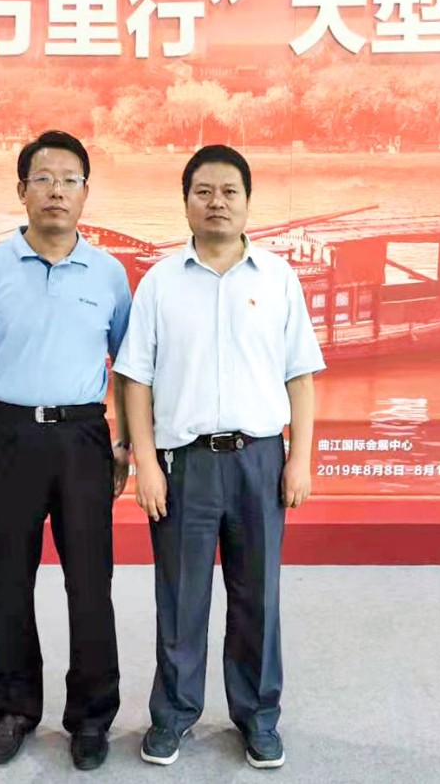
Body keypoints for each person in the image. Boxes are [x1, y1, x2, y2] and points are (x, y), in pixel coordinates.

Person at [114, 144, 325, 769]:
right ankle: (173, 716)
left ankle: (258, 717)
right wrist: (146, 463)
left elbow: (300, 376)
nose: (217, 202)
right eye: (203, 191)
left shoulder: (278, 279)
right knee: (181, 598)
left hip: (260, 459)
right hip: (186, 465)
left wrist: (300, 459)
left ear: (248, 202)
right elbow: (135, 380)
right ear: (186, 202)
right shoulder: (160, 283)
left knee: (258, 595)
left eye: (229, 191)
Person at [0, 130, 133, 771]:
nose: (57, 191)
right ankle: (15, 710)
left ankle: (91, 719)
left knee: (91, 584)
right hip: (8, 436)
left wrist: (126, 442)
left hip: (82, 438)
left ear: (86, 192)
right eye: (43, 179)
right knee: (8, 582)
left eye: (70, 180)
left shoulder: (109, 273)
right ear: (21, 190)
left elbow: (130, 368)